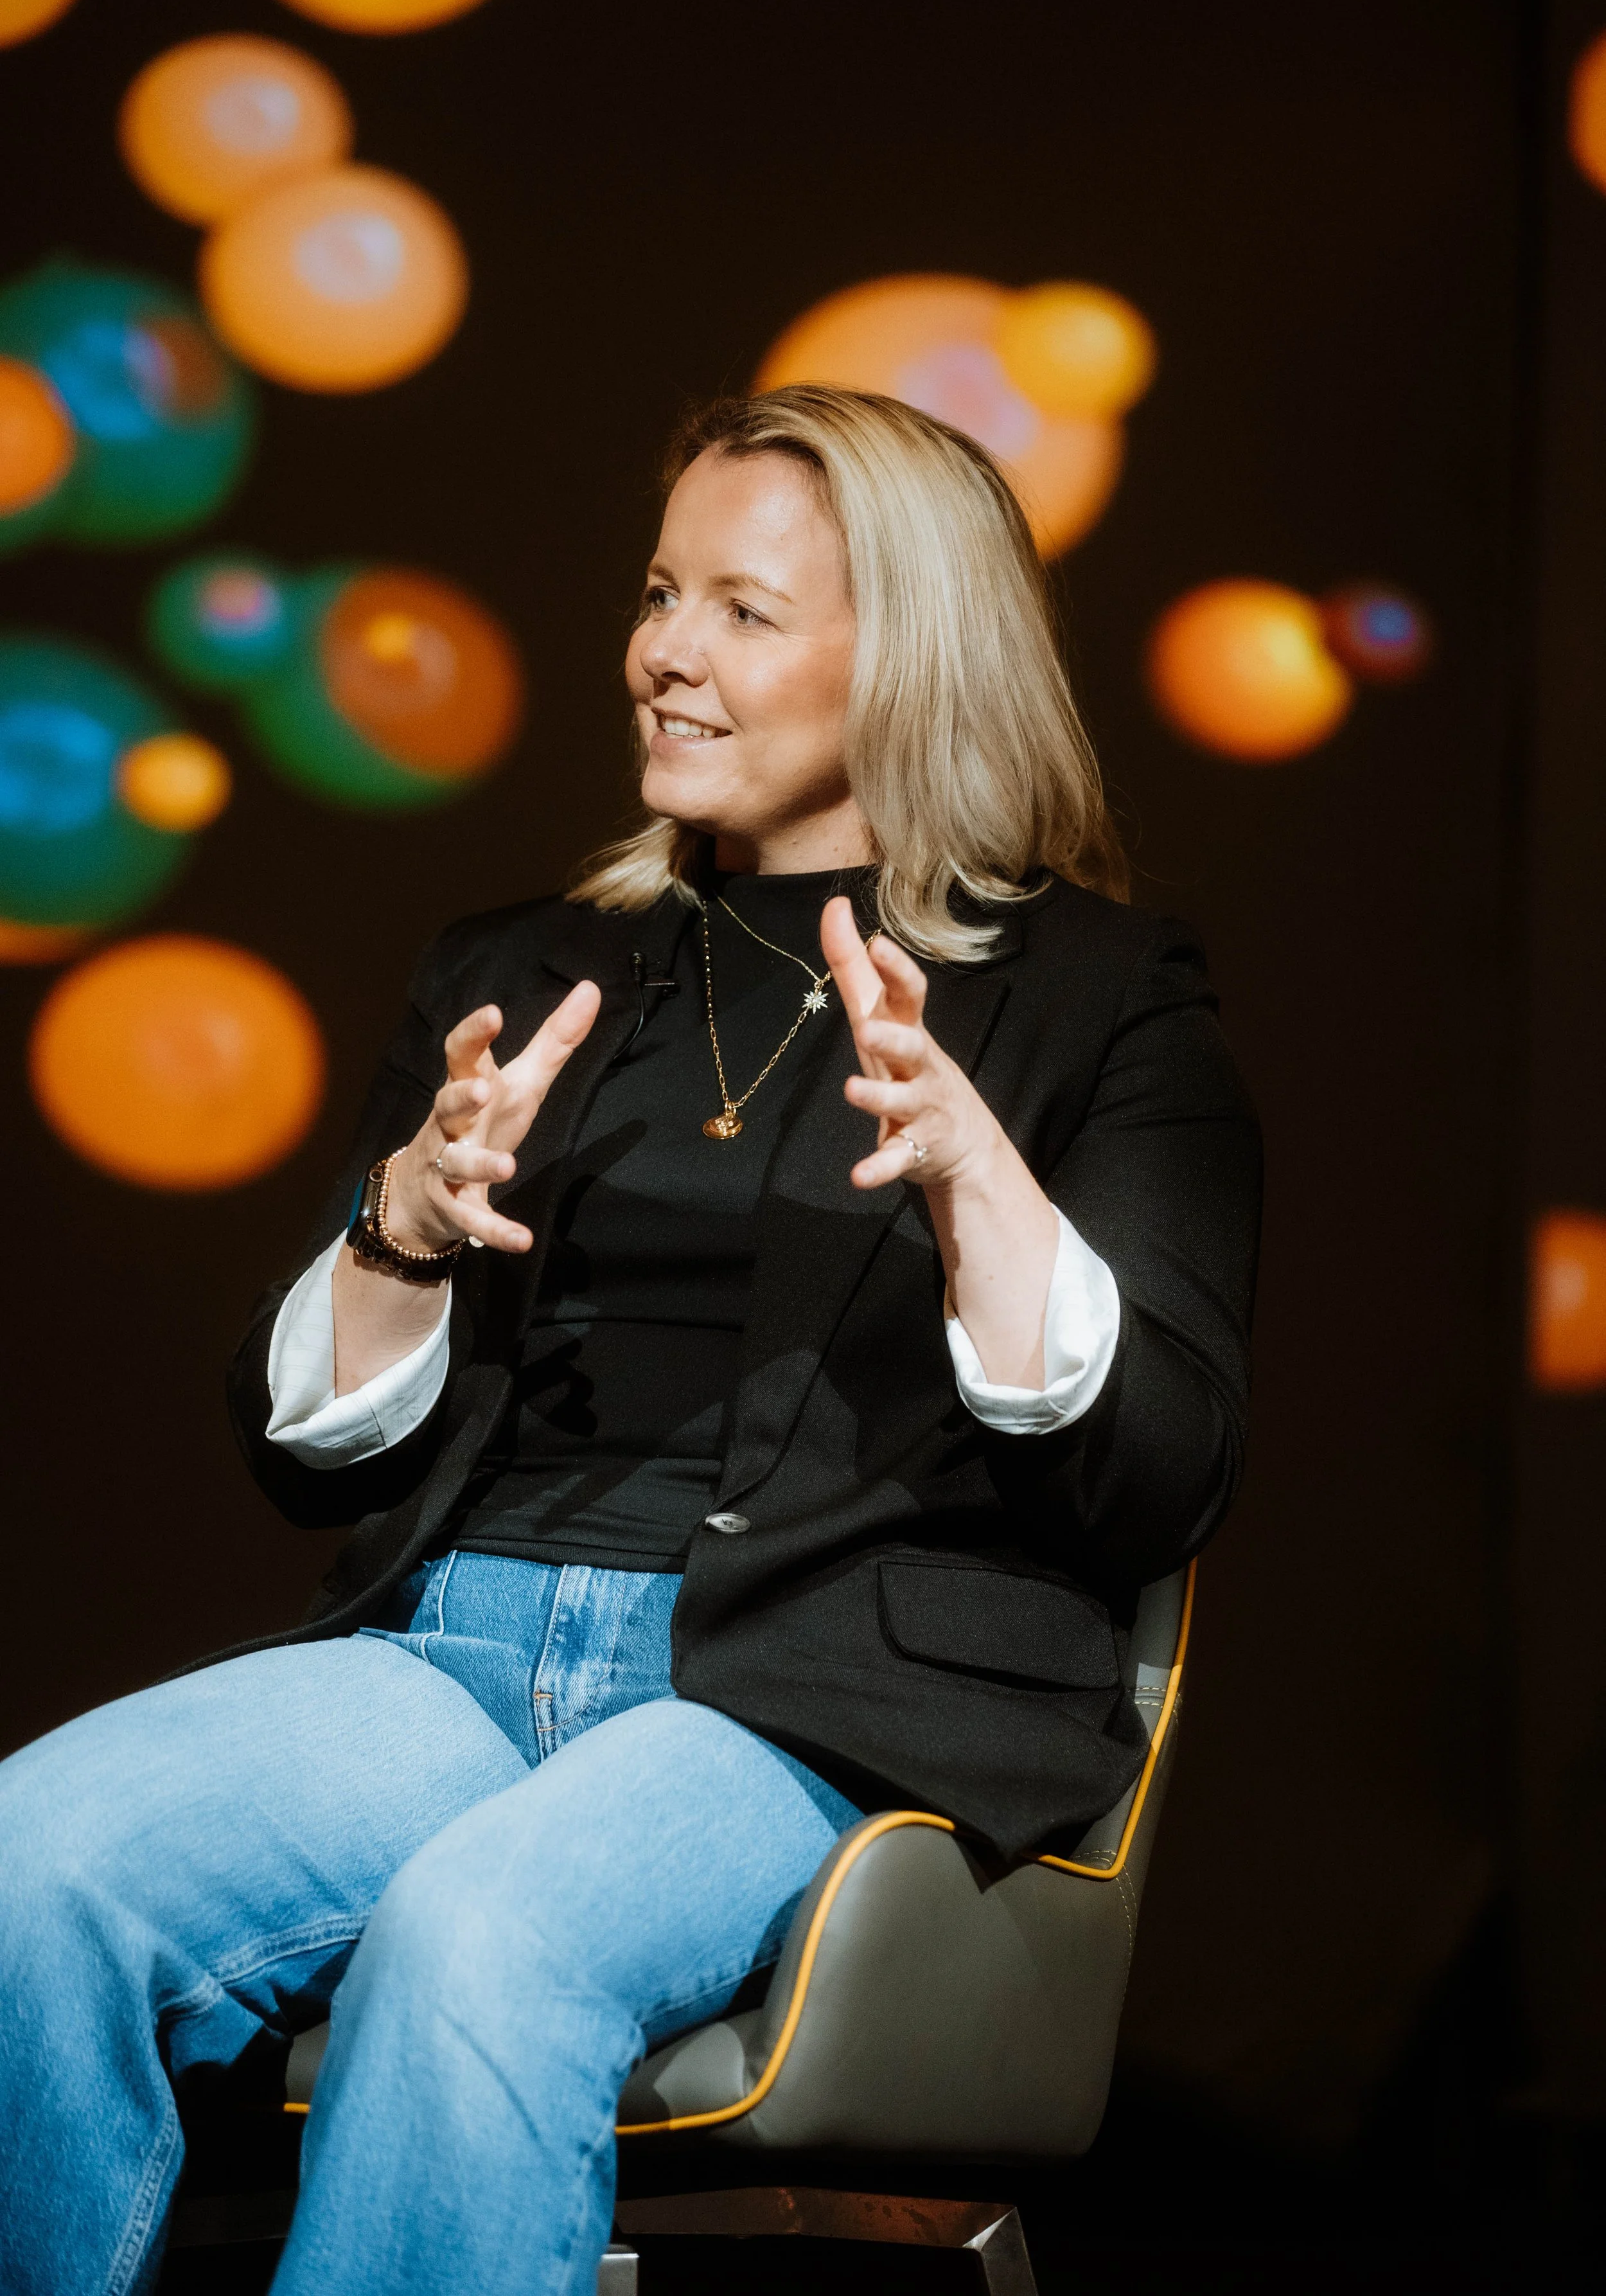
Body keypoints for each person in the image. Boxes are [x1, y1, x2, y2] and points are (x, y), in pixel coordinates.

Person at [0, 386, 1260, 2296]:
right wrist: (394, 1235)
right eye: (661, 593)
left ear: (909, 655)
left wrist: (980, 1188)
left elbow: (1160, 1471)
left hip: (806, 1688)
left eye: (741, 611)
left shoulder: (1097, 1001)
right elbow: (304, 1454)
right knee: (29, 1861)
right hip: (460, 1645)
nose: (662, 651)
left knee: (478, 1933)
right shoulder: (515, 970)